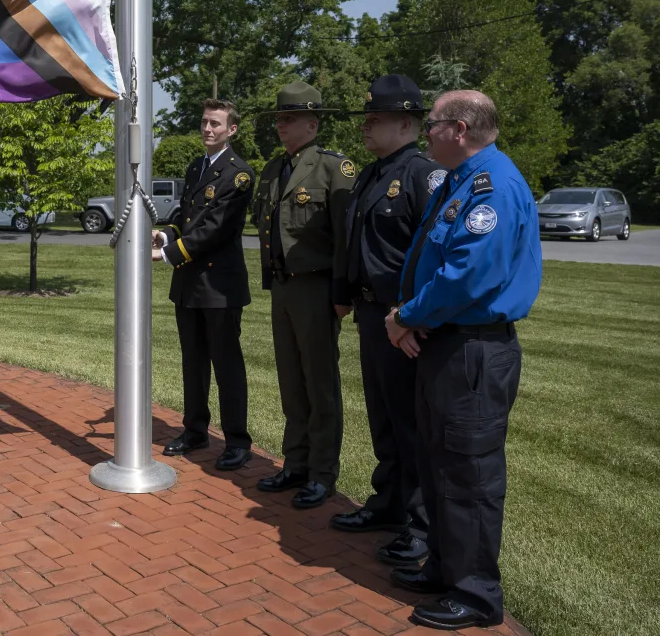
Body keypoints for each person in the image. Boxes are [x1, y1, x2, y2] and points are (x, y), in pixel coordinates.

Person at [384, 90, 541, 631]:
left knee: (468, 474)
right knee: (438, 463)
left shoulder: (490, 185)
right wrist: (409, 314)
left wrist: (405, 314)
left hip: (473, 349)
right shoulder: (459, 180)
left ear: (457, 128)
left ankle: (476, 595)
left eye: (430, 125)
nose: (423, 132)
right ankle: (446, 569)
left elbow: (470, 276)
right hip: (446, 343)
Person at [330, 75, 446, 569]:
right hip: (373, 313)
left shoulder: (423, 174)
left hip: (404, 319)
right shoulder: (373, 173)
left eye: (375, 119)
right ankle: (389, 502)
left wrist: (413, 314)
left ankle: (420, 528)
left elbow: (435, 252)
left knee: (411, 423)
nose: (366, 127)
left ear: (407, 122)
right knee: (384, 417)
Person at [250, 81, 356, 509]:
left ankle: (322, 473)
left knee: (320, 383)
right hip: (284, 286)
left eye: (289, 119)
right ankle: (295, 464)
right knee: (291, 381)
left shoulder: (335, 169)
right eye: (279, 118)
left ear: (312, 123)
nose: (281, 125)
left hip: (317, 287)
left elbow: (346, 237)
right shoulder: (274, 169)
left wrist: (342, 292)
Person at [152, 99, 255, 471]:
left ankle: (237, 441)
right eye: (204, 122)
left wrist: (169, 255)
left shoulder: (239, 174)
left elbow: (215, 228)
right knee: (193, 363)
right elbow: (187, 216)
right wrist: (165, 234)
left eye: (215, 123)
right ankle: (195, 430)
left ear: (232, 130)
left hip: (219, 286)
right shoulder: (196, 167)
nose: (207, 129)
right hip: (190, 285)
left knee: (226, 366)